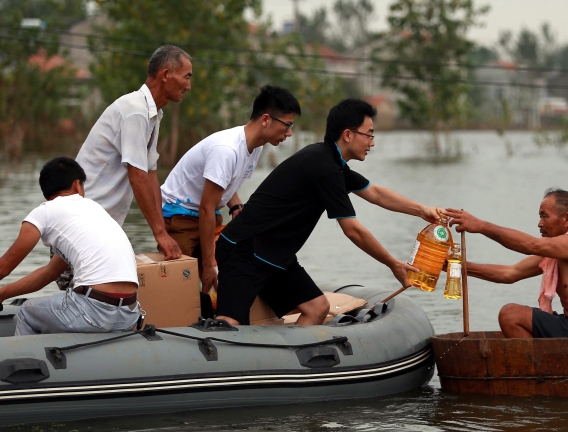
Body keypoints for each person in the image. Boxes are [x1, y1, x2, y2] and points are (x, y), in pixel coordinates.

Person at [214, 99, 440, 326]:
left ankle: (291, 360)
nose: (372, 143)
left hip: (273, 255)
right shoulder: (323, 167)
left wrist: (423, 210)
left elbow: (375, 193)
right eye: (369, 135)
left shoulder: (331, 162)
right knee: (229, 323)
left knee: (317, 308)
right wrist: (393, 263)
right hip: (243, 249)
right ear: (348, 135)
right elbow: (353, 231)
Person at [160, 85, 300, 294]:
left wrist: (236, 207)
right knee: (179, 287)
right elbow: (206, 208)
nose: (289, 133)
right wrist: (208, 265)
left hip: (208, 215)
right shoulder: (227, 150)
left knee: (234, 266)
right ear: (265, 120)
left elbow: (225, 184)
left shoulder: (255, 146)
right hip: (180, 215)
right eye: (287, 125)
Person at [76, 44, 193, 264]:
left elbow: (150, 175)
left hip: (102, 225)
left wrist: (162, 232)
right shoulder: (135, 111)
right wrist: (159, 233)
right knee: (94, 295)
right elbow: (137, 176)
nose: (189, 86)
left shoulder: (153, 114)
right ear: (166, 75)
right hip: (84, 222)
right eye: (187, 77)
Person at [444, 189, 568, 339]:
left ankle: (538, 373)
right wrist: (454, 266)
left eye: (544, 216)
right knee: (512, 315)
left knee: (511, 315)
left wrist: (481, 226)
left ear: (567, 219)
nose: (539, 223)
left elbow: (531, 245)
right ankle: (542, 369)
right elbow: (510, 273)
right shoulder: (555, 252)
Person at [0, 158, 140, 336]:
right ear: (77, 186)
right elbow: (50, 272)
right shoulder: (95, 209)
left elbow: (4, 267)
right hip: (129, 313)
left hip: (92, 310)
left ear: (45, 194)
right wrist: (3, 293)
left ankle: (21, 362)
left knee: (27, 312)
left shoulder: (44, 211)